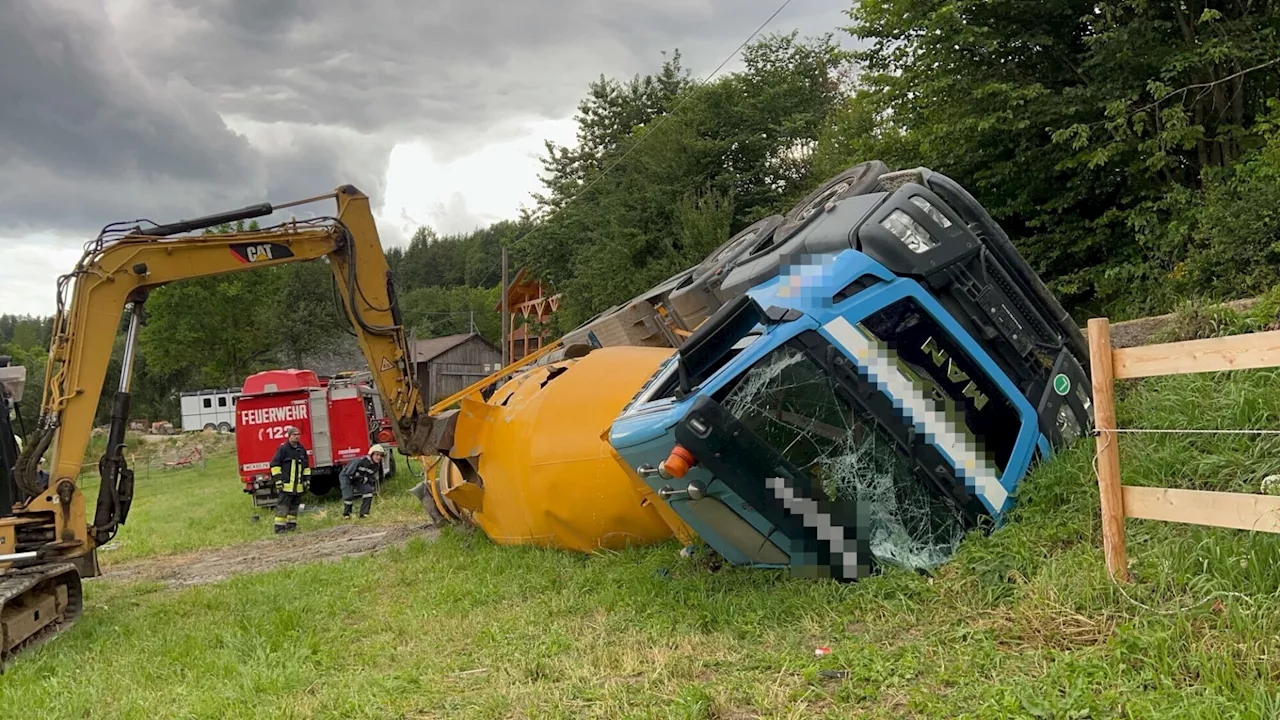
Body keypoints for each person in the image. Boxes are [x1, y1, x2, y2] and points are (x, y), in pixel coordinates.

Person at [269, 426, 311, 533]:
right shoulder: (283, 449)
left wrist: (307, 480)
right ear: (289, 436)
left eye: (298, 435)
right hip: (286, 486)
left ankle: (291, 527)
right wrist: (278, 480)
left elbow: (306, 467)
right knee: (283, 508)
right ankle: (279, 529)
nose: (297, 437)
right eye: (294, 435)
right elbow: (275, 465)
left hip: (298, 487)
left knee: (294, 508)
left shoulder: (301, 449)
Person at [339, 444, 384, 519]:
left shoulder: (376, 466)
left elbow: (369, 478)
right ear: (371, 454)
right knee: (348, 496)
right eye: (377, 454)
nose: (379, 457)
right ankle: (346, 515)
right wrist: (360, 478)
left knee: (368, 491)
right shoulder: (361, 460)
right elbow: (349, 472)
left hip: (358, 478)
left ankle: (364, 514)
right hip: (346, 476)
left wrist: (364, 480)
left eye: (381, 455)